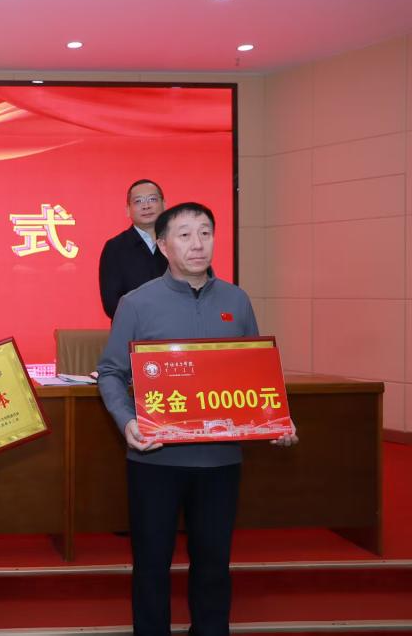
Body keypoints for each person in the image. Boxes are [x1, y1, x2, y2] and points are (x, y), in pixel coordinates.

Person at [97, 202, 298, 636]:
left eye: (205, 232)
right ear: (163, 245)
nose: (197, 244)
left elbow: (253, 370)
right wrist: (126, 421)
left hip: (220, 461)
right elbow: (110, 372)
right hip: (155, 459)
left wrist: (275, 419)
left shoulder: (236, 300)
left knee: (213, 564)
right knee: (151, 564)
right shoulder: (136, 303)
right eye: (185, 234)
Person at [98, 179, 168, 319]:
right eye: (138, 201)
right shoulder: (115, 248)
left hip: (178, 328)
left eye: (152, 199)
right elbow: (111, 303)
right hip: (134, 328)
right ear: (128, 210)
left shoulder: (180, 242)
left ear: (164, 204)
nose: (146, 206)